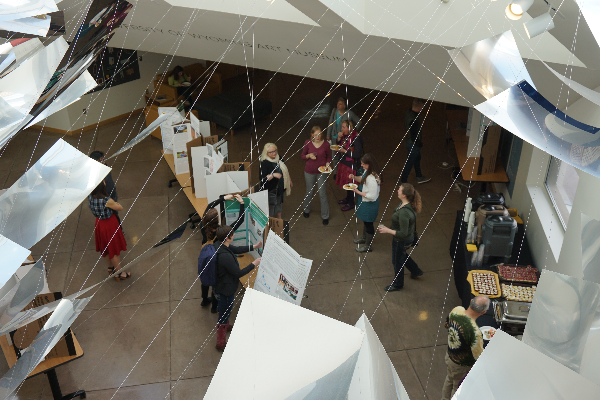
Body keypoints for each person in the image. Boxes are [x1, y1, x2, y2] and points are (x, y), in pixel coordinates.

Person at [214, 225, 262, 351]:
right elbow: (239, 273)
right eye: (232, 234)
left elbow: (237, 249)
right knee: (225, 312)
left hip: (219, 287)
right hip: (225, 290)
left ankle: (225, 324)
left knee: (223, 308)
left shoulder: (220, 245)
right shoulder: (225, 257)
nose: (234, 235)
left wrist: (254, 247)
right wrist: (254, 264)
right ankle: (220, 341)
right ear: (228, 238)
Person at [199, 194, 245, 313]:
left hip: (204, 255)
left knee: (205, 276)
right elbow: (240, 220)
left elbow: (209, 206)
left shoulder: (202, 226)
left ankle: (204, 299)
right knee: (214, 280)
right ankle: (214, 307)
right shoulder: (222, 233)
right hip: (215, 258)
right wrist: (242, 203)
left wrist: (223, 199)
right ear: (217, 220)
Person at [377, 183, 424, 291]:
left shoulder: (404, 213)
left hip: (401, 240)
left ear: (404, 195)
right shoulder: (407, 204)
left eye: (399, 190)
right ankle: (415, 270)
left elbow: (403, 233)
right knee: (401, 254)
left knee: (397, 261)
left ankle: (398, 284)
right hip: (407, 238)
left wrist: (387, 230)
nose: (397, 190)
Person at [442, 296, 490, 400]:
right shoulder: (475, 332)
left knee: (449, 379)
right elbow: (478, 357)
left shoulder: (457, 310)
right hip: (461, 366)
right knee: (456, 388)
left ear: (471, 301)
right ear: (483, 312)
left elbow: (446, 325)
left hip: (449, 355)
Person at [88, 181, 130, 281]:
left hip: (99, 224)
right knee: (114, 250)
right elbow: (120, 208)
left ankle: (110, 268)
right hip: (109, 225)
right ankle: (119, 274)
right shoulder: (106, 200)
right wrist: (116, 204)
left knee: (106, 247)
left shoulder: (90, 196)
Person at [349, 153, 381, 252]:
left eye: (363, 164)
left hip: (369, 205)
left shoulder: (372, 179)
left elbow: (372, 196)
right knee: (366, 221)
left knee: (369, 224)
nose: (361, 165)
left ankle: (368, 245)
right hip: (364, 202)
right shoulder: (367, 171)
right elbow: (362, 179)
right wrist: (354, 177)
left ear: (369, 164)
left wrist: (358, 192)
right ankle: (364, 238)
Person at [301, 126, 332, 225]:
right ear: (312, 135)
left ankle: (325, 216)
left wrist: (328, 163)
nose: (317, 137)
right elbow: (302, 156)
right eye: (315, 135)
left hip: (322, 172)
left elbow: (329, 156)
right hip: (309, 171)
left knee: (322, 193)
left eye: (319, 134)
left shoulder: (326, 144)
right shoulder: (308, 143)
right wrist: (309, 156)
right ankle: (306, 210)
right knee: (309, 191)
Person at [327, 97, 359, 177]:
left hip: (344, 139)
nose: (338, 105)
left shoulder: (349, 113)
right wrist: (328, 134)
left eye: (340, 104)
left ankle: (342, 172)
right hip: (334, 137)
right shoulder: (334, 111)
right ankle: (335, 173)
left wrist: (352, 131)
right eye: (338, 103)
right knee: (335, 155)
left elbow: (359, 121)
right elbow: (330, 123)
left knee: (343, 155)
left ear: (344, 106)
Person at [259, 143, 293, 219]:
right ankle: (270, 222)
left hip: (280, 187)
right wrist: (273, 175)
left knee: (279, 203)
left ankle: (279, 220)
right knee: (271, 206)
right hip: (270, 189)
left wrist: (289, 180)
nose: (274, 153)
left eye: (275, 151)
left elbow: (285, 170)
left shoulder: (278, 157)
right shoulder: (264, 163)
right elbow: (262, 178)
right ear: (266, 153)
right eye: (271, 152)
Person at [401, 98, 430, 184]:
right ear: (419, 107)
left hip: (409, 142)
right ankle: (403, 181)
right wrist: (419, 144)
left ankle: (419, 176)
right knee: (409, 163)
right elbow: (414, 135)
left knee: (417, 159)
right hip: (413, 144)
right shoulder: (413, 119)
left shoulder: (408, 113)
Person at [335, 120, 363, 211]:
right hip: (344, 164)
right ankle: (348, 198)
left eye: (343, 127)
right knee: (346, 183)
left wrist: (345, 152)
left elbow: (357, 154)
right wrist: (338, 139)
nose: (341, 129)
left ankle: (351, 202)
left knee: (350, 184)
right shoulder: (345, 136)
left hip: (351, 166)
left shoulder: (356, 139)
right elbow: (339, 145)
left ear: (349, 128)